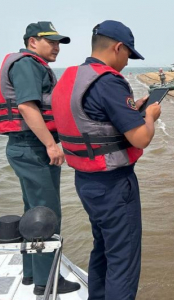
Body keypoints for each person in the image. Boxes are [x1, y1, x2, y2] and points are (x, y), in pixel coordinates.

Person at [51, 20, 161, 299]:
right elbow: (141, 138)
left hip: (85, 181)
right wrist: (149, 116)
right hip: (113, 185)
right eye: (129, 55)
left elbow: (93, 120)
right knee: (123, 259)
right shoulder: (109, 81)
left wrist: (131, 111)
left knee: (102, 247)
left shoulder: (71, 76)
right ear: (118, 47)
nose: (127, 62)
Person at [0, 21, 80, 295]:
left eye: (59, 42)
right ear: (33, 42)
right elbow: (25, 105)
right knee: (46, 214)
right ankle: (47, 281)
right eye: (51, 41)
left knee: (33, 210)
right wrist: (50, 144)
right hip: (32, 146)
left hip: (24, 146)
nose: (57, 47)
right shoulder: (28, 64)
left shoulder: (27, 63)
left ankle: (32, 274)